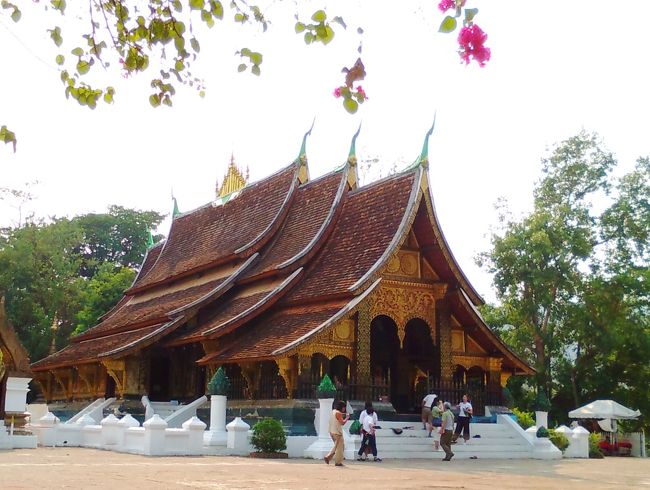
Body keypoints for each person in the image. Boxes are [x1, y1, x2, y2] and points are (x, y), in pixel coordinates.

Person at [324, 400, 349, 467]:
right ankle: (338, 462)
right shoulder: (338, 413)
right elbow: (342, 423)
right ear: (342, 407)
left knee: (337, 447)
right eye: (344, 407)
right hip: (337, 433)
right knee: (340, 448)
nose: (344, 409)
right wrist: (347, 418)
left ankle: (328, 457)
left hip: (332, 432)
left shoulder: (333, 411)